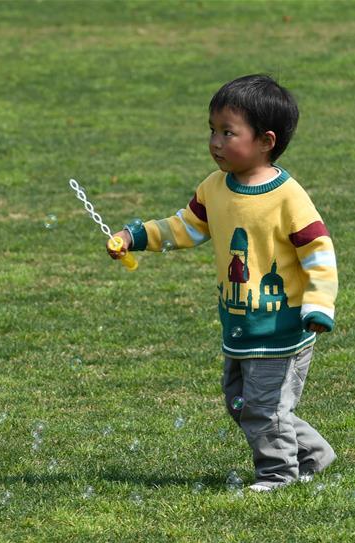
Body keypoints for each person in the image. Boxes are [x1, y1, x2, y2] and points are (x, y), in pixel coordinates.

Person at [107, 74, 338, 492]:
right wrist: (135, 236)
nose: (215, 141)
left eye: (227, 132)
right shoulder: (215, 188)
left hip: (281, 327)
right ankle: (313, 454)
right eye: (211, 130)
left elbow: (318, 251)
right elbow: (186, 227)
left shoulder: (288, 197)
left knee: (264, 408)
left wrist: (319, 305)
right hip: (239, 324)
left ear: (266, 141)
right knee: (243, 404)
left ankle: (277, 475)